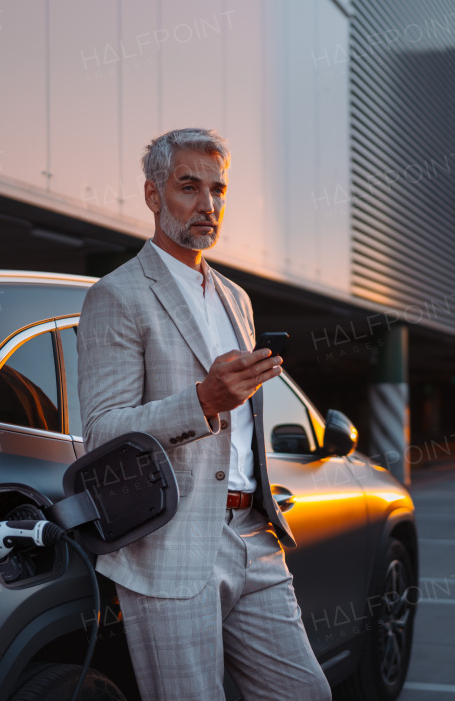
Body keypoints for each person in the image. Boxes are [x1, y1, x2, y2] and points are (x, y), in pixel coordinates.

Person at [76, 128, 331, 701]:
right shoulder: (117, 296)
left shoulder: (235, 297)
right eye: (189, 187)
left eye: (218, 190)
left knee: (305, 693)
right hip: (170, 543)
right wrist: (202, 402)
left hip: (255, 537)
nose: (208, 205)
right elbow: (102, 434)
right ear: (152, 195)